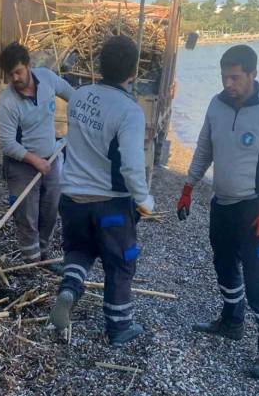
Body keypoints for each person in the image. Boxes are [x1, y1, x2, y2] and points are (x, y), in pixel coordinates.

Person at [176, 44, 259, 379]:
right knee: (224, 266)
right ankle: (231, 321)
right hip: (222, 203)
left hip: (257, 209)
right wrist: (187, 187)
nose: (228, 83)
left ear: (254, 75)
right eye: (224, 76)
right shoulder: (216, 104)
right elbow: (204, 149)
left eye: (236, 77)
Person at [48, 35, 155, 348]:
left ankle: (69, 290)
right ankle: (119, 326)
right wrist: (145, 200)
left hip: (71, 199)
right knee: (120, 262)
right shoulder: (129, 111)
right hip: (110, 205)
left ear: (98, 65)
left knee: (80, 251)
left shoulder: (80, 97)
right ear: (133, 72)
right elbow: (133, 166)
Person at [0, 42, 75, 269]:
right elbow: (6, 143)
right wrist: (34, 160)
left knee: (50, 208)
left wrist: (85, 111)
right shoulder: (7, 102)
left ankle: (44, 254)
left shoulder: (47, 79)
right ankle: (31, 261)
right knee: (27, 214)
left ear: (29, 66)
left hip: (51, 158)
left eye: (18, 72)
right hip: (22, 164)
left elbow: (71, 94)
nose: (15, 78)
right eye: (10, 75)